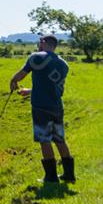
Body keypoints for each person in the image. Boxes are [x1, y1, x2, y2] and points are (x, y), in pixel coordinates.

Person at [9, 34, 74, 183]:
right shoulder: (64, 64)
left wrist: (13, 81)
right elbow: (55, 88)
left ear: (44, 42)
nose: (39, 45)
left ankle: (51, 177)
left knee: (44, 140)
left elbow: (20, 76)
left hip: (41, 107)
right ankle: (69, 175)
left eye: (40, 42)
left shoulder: (36, 57)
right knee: (59, 139)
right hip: (57, 107)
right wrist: (30, 91)